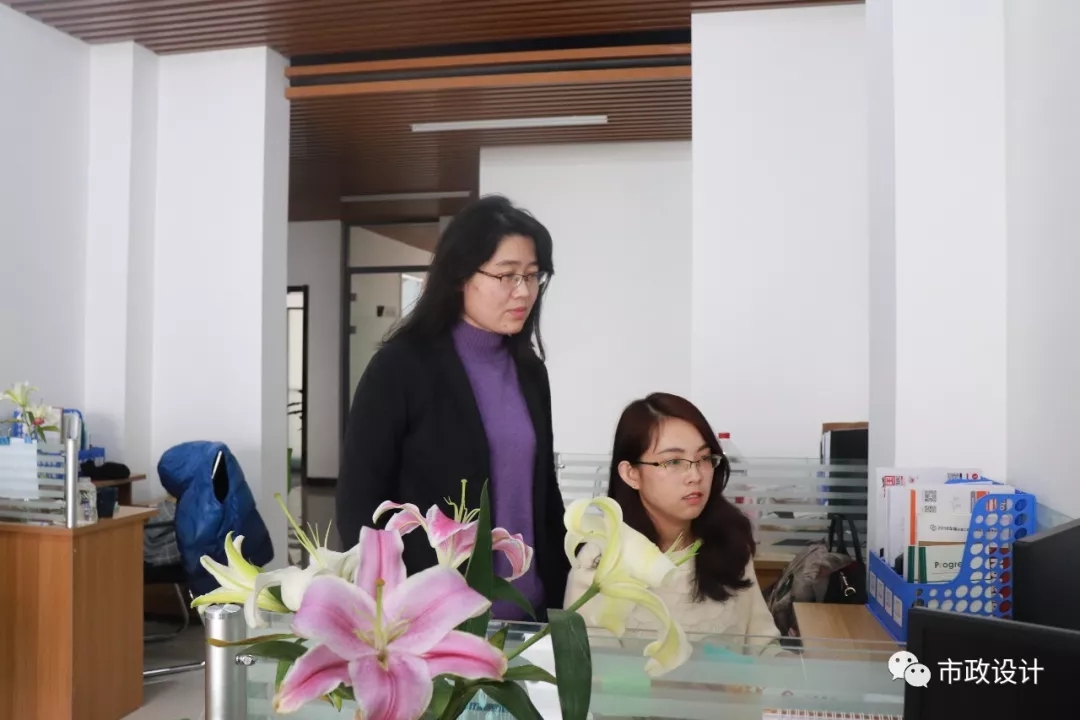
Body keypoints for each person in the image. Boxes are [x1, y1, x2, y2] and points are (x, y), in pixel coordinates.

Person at [336, 194, 570, 621]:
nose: (523, 291)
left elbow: (543, 492)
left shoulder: (530, 372)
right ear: (461, 275)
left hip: (529, 610)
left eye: (533, 275)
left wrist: (564, 585)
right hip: (435, 617)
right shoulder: (400, 368)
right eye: (507, 275)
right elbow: (359, 505)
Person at [565, 392, 782, 654]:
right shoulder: (599, 563)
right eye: (673, 461)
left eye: (704, 458)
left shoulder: (728, 542)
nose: (695, 475)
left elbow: (763, 645)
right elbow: (594, 671)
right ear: (631, 474)